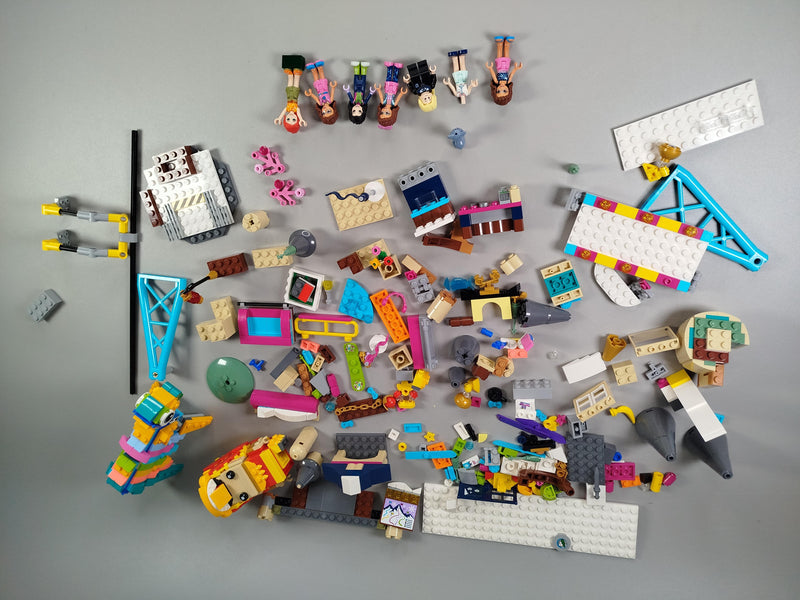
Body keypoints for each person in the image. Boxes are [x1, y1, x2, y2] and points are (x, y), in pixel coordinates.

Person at [274, 55, 308, 134]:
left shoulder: (288, 109)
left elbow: (283, 112)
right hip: (295, 95)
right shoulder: (296, 109)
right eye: (294, 120)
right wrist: (301, 119)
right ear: (297, 119)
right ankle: (297, 74)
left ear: (285, 119)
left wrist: (279, 118)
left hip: (289, 94)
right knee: (296, 82)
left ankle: (290, 74)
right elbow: (299, 114)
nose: (291, 117)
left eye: (288, 119)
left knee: (290, 81)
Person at [485, 36, 523, 106]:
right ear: (509, 90)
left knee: (499, 56)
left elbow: (493, 75)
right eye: (504, 91)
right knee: (506, 55)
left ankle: (499, 44)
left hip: (499, 67)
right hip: (506, 67)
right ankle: (507, 44)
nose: (501, 88)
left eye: (498, 91)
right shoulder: (508, 81)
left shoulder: (497, 81)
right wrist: (516, 68)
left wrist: (490, 68)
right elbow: (511, 75)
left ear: (495, 90)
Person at [304, 60, 339, 125]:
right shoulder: (330, 101)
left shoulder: (320, 103)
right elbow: (332, 93)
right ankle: (320, 67)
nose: (325, 110)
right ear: (333, 109)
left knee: (315, 77)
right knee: (322, 75)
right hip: (324, 87)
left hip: (318, 89)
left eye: (323, 113)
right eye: (328, 111)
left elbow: (316, 98)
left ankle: (313, 69)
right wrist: (333, 87)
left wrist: (311, 94)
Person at [375, 61, 408, 129]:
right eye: (387, 113)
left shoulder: (383, 102)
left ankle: (389, 67)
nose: (384, 111)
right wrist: (401, 93)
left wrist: (378, 90)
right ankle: (397, 68)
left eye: (382, 113)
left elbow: (381, 96)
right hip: (393, 89)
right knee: (395, 78)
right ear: (392, 114)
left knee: (389, 77)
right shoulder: (393, 104)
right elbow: (398, 98)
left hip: (387, 88)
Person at [342, 61, 374, 125]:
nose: (357, 108)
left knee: (356, 78)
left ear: (351, 110)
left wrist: (347, 90)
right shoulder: (363, 102)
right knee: (363, 79)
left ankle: (356, 67)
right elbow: (368, 98)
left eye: (354, 111)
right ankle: (364, 68)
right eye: (359, 111)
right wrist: (371, 92)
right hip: (362, 88)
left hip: (356, 87)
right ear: (363, 111)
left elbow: (350, 96)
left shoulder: (353, 101)